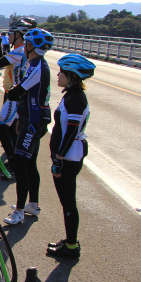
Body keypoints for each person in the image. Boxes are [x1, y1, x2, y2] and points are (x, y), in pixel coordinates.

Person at [46, 54, 96, 258]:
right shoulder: (71, 95)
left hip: (69, 158)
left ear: (72, 76)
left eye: (62, 72)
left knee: (68, 203)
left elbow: (71, 132)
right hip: (67, 157)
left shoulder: (76, 99)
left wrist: (58, 159)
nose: (58, 75)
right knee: (67, 202)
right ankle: (69, 240)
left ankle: (72, 246)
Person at [3, 28, 53, 225]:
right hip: (31, 119)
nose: (25, 46)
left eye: (27, 43)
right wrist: (19, 120)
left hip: (33, 121)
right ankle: (33, 204)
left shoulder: (37, 66)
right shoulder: (35, 64)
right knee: (30, 163)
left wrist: (12, 92)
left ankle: (20, 211)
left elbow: (18, 92)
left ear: (32, 46)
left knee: (21, 164)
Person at [0, 17, 38, 167]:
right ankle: (15, 159)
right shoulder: (21, 51)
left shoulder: (18, 52)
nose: (8, 35)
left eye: (11, 33)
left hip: (16, 95)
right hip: (17, 94)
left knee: (1, 127)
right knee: (12, 129)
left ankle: (13, 161)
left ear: (19, 35)